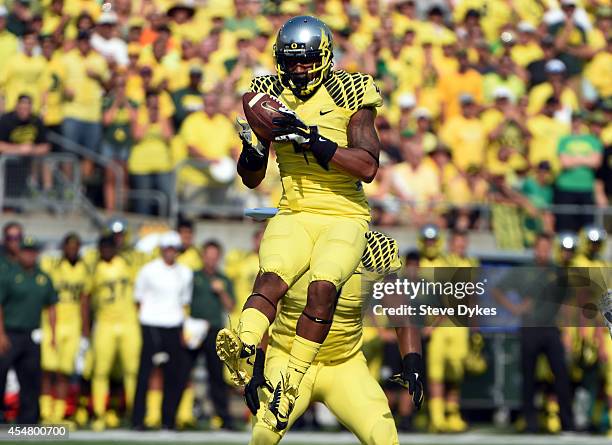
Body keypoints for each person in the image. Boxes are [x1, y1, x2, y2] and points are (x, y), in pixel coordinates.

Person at [216, 15, 383, 432]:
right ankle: (244, 347)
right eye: (291, 63)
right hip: (294, 207)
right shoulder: (267, 92)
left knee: (322, 287)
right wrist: (254, 151)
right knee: (270, 280)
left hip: (343, 212)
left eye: (306, 62)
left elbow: (367, 167)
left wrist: (312, 138)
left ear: (324, 57)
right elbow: (252, 178)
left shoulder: (351, 91)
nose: (298, 70)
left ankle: (291, 380)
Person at [247, 231, 424, 444]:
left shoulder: (374, 249)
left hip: (344, 363)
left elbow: (402, 315)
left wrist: (412, 362)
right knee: (264, 433)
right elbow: (261, 306)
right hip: (288, 359)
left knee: (383, 433)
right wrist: (256, 365)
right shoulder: (294, 243)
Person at [492, 232, 575, 433]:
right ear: (535, 248)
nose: (544, 251)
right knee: (528, 378)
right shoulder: (524, 270)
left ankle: (567, 422)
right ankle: (530, 422)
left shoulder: (557, 271)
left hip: (552, 330)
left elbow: (567, 302)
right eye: (541, 247)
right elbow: (497, 290)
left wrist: (567, 331)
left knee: (561, 375)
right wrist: (515, 308)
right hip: (529, 330)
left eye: (547, 247)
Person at [132, 231, 192, 430]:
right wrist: (146, 320)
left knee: (174, 374)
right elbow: (138, 299)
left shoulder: (185, 273)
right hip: (151, 323)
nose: (170, 253)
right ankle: (138, 419)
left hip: (173, 324)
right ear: (161, 250)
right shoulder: (148, 270)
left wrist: (183, 330)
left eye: (174, 249)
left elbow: (184, 302)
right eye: (167, 248)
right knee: (145, 373)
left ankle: (168, 419)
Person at [0, 237, 57, 423]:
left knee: (31, 378)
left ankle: (29, 420)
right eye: (26, 251)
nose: (29, 255)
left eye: (33, 252)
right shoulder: (9, 275)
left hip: (32, 334)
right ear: (20, 253)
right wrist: (0, 334)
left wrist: (53, 334)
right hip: (10, 332)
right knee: (1, 373)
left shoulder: (43, 277)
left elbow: (52, 306)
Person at [39, 233, 91, 424]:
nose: (72, 250)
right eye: (69, 246)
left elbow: (85, 300)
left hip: (73, 324)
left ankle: (58, 414)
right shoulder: (52, 266)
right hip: (52, 322)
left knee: (64, 371)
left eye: (76, 246)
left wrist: (86, 329)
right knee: (47, 369)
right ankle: (45, 411)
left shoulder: (83, 269)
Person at [90, 235, 140, 431]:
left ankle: (133, 412)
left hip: (128, 322)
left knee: (131, 370)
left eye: (110, 247)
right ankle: (99, 413)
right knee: (100, 371)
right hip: (105, 322)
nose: (107, 251)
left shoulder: (126, 263)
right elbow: (87, 296)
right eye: (103, 247)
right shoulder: (95, 268)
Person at [183, 240, 235, 430]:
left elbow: (231, 306)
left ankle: (223, 418)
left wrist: (221, 292)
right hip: (194, 329)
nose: (211, 261)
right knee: (182, 372)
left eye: (215, 257)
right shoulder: (193, 276)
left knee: (216, 377)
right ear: (203, 257)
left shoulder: (223, 278)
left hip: (214, 330)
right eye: (208, 256)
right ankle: (177, 415)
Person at [554, 112, 603, 231]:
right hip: (566, 187)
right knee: (565, 225)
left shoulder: (593, 141)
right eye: (574, 120)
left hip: (586, 187)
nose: (576, 123)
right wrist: (585, 159)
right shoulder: (564, 140)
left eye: (579, 120)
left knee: (588, 226)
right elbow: (565, 163)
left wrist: (574, 158)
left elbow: (596, 162)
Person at [128, 91, 174, 216]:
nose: (154, 108)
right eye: (151, 105)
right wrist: (148, 120)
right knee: (143, 201)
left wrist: (159, 118)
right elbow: (137, 136)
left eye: (156, 105)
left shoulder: (163, 117)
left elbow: (168, 136)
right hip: (141, 166)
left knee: (166, 195)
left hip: (162, 165)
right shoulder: (139, 115)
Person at [0, 95, 51, 198]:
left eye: (27, 108)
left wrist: (31, 150)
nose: (24, 111)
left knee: (46, 160)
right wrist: (19, 149)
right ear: (16, 106)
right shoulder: (5, 120)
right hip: (7, 162)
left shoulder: (36, 121)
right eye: (22, 108)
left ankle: (47, 192)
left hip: (29, 161)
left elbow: (46, 146)